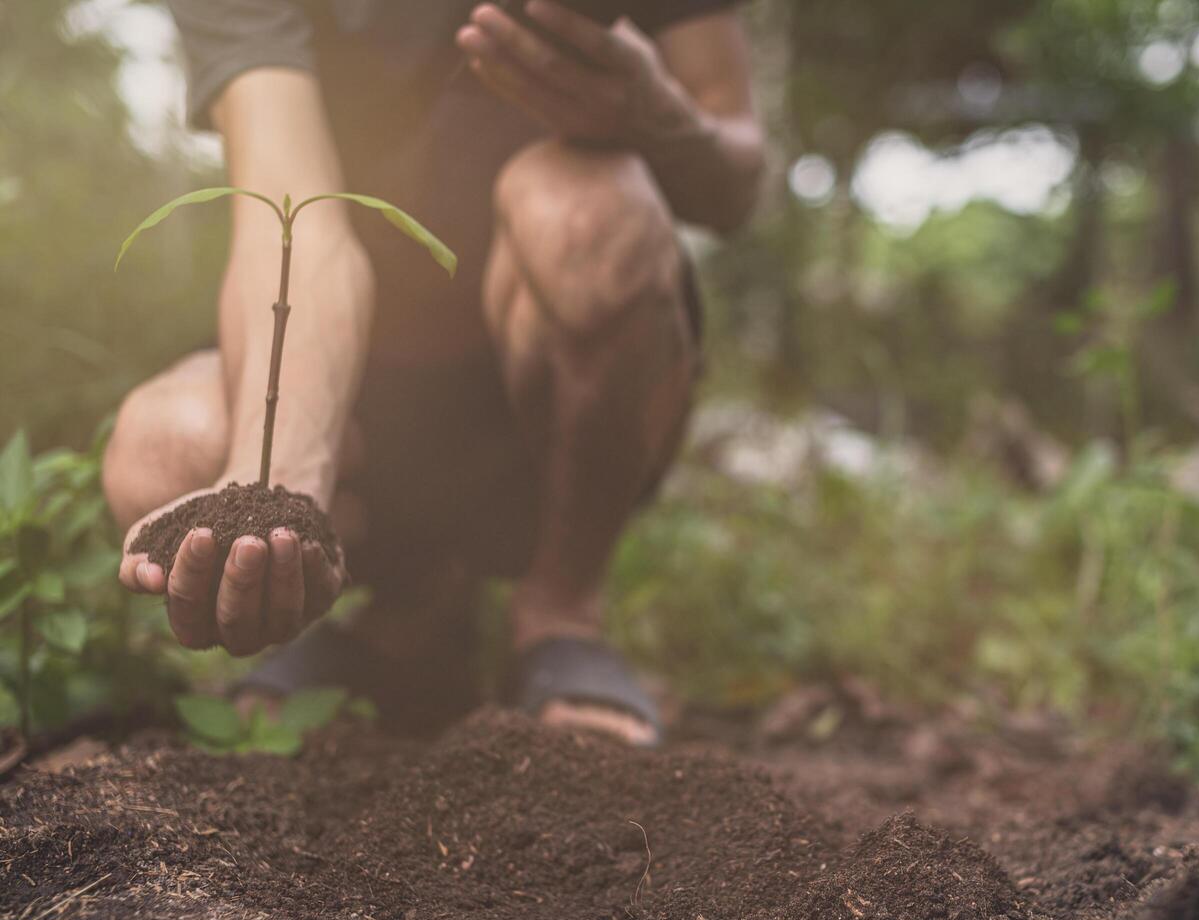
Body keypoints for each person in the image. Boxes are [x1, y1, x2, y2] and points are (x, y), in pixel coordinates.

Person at [102, 0, 765, 745]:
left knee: (585, 212)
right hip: (359, 399)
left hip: (544, 404)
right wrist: (279, 498)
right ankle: (409, 620)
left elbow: (736, 179)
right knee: (163, 449)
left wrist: (654, 115)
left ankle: (561, 611)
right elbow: (291, 220)